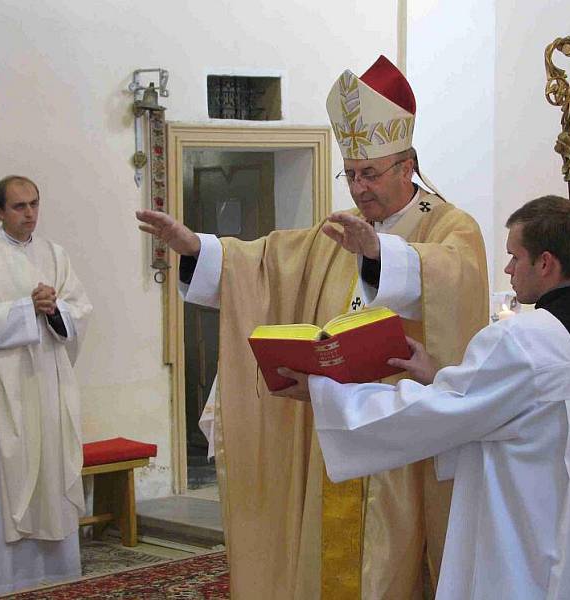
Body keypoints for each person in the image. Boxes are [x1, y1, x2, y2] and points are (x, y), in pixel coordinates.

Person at [136, 56, 489, 598]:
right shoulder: (344, 230)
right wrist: (200, 250)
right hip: (335, 432)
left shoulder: (448, 224)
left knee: (390, 570)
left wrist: (381, 256)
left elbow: (454, 276)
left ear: (407, 165)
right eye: (350, 174)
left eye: (370, 173)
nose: (358, 188)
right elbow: (271, 261)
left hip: (401, 447)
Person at [277, 195, 570, 599]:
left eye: (514, 257)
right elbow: (521, 403)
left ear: (545, 263)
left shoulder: (522, 339)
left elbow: (434, 416)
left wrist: (327, 393)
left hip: (536, 532)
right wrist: (439, 376)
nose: (508, 269)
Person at [0, 175, 92, 598]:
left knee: (51, 473)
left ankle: (52, 573)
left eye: (34, 204)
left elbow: (80, 311)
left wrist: (56, 311)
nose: (29, 213)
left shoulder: (55, 255)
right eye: (18, 206)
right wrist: (24, 308)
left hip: (47, 382)